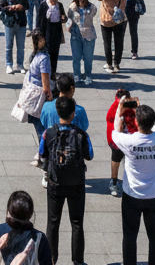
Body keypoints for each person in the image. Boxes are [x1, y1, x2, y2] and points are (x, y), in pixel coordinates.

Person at [112, 99, 155, 265]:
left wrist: (120, 111)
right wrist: (142, 108)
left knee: (130, 235)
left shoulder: (130, 142)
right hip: (154, 195)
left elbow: (115, 133)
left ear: (136, 121)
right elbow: (154, 127)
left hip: (132, 195)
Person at [42, 94, 92, 265]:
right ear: (73, 114)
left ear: (57, 112)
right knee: (77, 222)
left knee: (53, 222)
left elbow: (42, 153)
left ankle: (51, 259)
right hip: (76, 183)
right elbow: (90, 155)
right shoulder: (81, 135)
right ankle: (78, 261)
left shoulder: (48, 133)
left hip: (55, 183)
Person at [105, 87, 137, 197]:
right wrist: (119, 107)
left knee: (129, 161)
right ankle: (113, 181)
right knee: (116, 159)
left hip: (130, 140)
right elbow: (109, 118)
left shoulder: (132, 108)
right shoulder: (115, 107)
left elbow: (138, 121)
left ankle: (129, 182)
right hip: (117, 142)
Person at [95, 0, 128, 74]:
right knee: (119, 42)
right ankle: (117, 63)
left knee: (107, 42)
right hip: (119, 19)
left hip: (106, 20)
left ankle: (109, 64)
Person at [66, 0, 97, 86]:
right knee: (76, 57)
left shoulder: (92, 7)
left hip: (89, 36)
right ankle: (76, 75)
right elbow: (69, 16)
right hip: (76, 35)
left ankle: (88, 75)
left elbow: (93, 15)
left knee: (88, 58)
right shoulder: (73, 7)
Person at [33, 0, 66, 77]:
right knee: (45, 55)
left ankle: (53, 73)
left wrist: (63, 18)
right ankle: (44, 73)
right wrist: (39, 36)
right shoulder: (43, 5)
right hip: (46, 32)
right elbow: (39, 21)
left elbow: (64, 17)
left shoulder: (60, 5)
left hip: (56, 33)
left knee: (54, 54)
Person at [0, 0, 29, 75]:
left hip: (21, 23)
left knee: (20, 46)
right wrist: (8, 8)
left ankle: (20, 64)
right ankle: (9, 64)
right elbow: (0, 7)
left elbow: (27, 6)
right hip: (9, 22)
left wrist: (20, 7)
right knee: (9, 46)